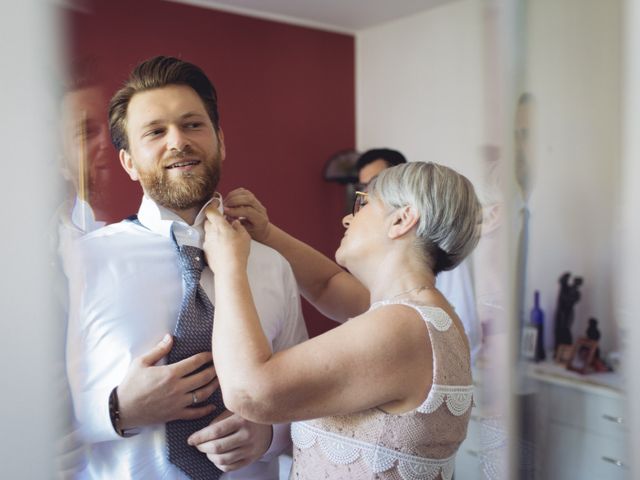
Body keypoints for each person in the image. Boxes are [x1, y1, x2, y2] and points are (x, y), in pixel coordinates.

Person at [65, 56, 308, 479]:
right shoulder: (82, 264)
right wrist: (119, 410)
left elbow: (304, 398)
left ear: (221, 141)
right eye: (156, 132)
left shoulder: (271, 265)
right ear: (128, 163)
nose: (178, 141)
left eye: (193, 125)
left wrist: (270, 433)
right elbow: (30, 410)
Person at [195, 161, 481, 479]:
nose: (347, 218)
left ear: (402, 219)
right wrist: (265, 233)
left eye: (363, 204)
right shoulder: (424, 315)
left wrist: (229, 267)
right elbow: (326, 285)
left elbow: (249, 392)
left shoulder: (402, 328)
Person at [356, 148, 482, 361]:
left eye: (376, 183)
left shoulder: (433, 242)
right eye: (363, 188)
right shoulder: (384, 257)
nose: (369, 195)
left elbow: (467, 326)